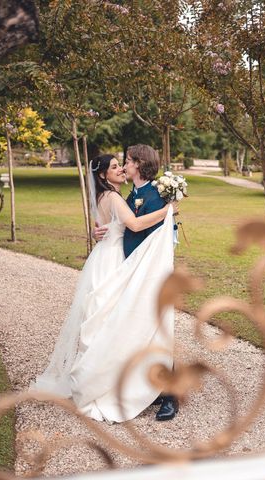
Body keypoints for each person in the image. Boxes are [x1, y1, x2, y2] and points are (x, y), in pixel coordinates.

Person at [33, 152, 177, 423]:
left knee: (109, 322)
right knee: (114, 322)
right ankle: (109, 382)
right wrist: (168, 211)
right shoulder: (112, 197)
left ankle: (117, 380)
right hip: (113, 263)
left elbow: (108, 226)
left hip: (108, 260)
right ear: (103, 175)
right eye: (114, 167)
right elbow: (133, 224)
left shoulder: (109, 197)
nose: (121, 168)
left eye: (123, 164)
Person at [93, 145, 180, 421]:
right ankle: (147, 385)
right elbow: (124, 223)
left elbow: (159, 234)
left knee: (157, 326)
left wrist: (168, 213)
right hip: (129, 269)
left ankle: (170, 395)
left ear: (140, 164)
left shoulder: (156, 194)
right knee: (138, 328)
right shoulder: (133, 195)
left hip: (150, 272)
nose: (125, 166)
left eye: (128, 161)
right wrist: (102, 232)